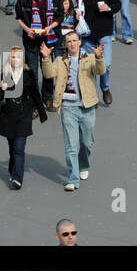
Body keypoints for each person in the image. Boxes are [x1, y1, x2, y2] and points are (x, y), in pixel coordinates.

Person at [39, 32, 106, 191]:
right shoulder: (60, 61)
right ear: (66, 44)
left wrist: (98, 57)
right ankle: (73, 179)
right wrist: (46, 58)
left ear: (80, 42)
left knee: (87, 143)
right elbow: (49, 74)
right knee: (71, 145)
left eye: (75, 40)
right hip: (68, 107)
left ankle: (84, 165)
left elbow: (100, 71)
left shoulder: (89, 58)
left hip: (87, 106)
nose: (72, 44)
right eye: (69, 41)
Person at [0, 46, 47, 190]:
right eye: (13, 57)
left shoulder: (28, 73)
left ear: (22, 59)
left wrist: (41, 112)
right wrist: (0, 88)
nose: (15, 60)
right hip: (8, 114)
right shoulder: (4, 73)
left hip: (23, 114)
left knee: (19, 147)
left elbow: (35, 93)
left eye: (18, 57)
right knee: (12, 146)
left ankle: (17, 178)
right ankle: (12, 167)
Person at [79, 0, 121, 103]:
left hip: (104, 33)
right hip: (87, 35)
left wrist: (108, 8)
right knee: (90, 66)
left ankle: (105, 88)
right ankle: (92, 95)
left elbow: (117, 5)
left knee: (106, 64)